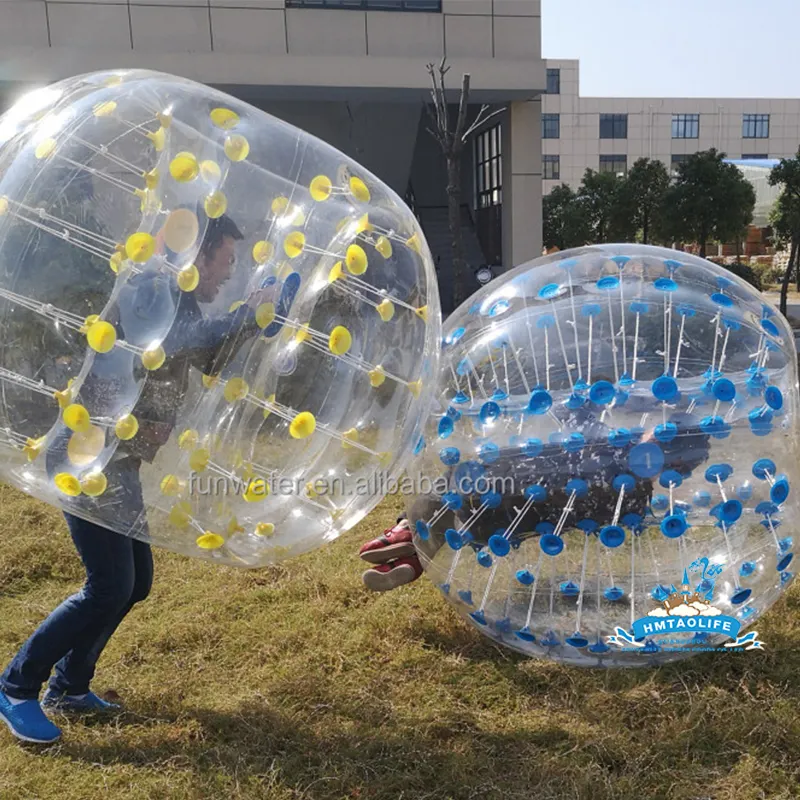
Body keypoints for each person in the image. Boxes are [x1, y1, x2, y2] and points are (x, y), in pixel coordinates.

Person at [0, 213, 271, 744]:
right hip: (85, 455)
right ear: (199, 253)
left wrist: (260, 321)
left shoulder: (186, 300)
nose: (227, 276)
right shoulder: (153, 289)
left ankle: (70, 688)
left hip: (117, 461)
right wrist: (248, 313)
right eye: (226, 263)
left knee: (135, 582)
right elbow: (175, 341)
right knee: (110, 584)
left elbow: (208, 354)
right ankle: (16, 687)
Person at [359, 406, 711, 592]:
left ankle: (405, 534)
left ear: (653, 433)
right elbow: (601, 523)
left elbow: (572, 415)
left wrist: (585, 399)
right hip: (509, 525)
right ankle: (413, 559)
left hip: (499, 479)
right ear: (675, 473)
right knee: (461, 526)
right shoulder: (633, 502)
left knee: (445, 491)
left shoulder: (610, 439)